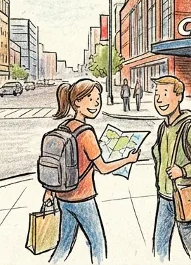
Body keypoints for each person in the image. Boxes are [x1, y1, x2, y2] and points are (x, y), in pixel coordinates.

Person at [44, 79, 140, 263]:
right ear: (77, 102)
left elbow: (54, 164)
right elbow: (103, 168)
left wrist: (49, 192)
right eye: (90, 98)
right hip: (83, 198)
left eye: (98, 99)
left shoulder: (63, 128)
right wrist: (128, 159)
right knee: (97, 242)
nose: (96, 103)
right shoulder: (87, 133)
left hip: (63, 197)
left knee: (64, 242)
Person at [151, 75, 191, 260]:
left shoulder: (189, 128)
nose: (159, 99)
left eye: (165, 94)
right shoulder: (162, 128)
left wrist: (182, 171)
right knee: (159, 246)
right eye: (157, 94)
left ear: (179, 97)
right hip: (164, 197)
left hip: (184, 196)